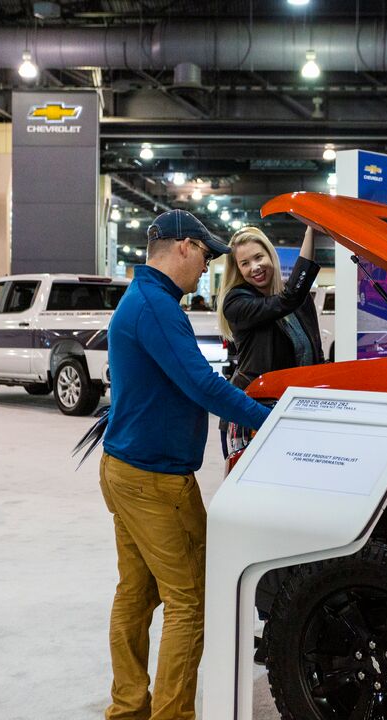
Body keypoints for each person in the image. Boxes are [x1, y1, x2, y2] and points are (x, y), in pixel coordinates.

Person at [98, 209, 271, 720]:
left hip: (126, 469)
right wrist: (270, 419)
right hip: (155, 479)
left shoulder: (146, 299)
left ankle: (128, 708)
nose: (208, 268)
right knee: (190, 601)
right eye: (206, 256)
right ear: (183, 248)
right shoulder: (155, 306)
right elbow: (200, 384)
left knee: (137, 592)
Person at [216, 225, 323, 456]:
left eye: (258, 257)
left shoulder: (301, 302)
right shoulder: (236, 302)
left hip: (298, 410)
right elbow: (288, 299)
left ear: (270, 255)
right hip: (252, 413)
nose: (255, 267)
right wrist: (310, 233)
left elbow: (316, 355)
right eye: (245, 263)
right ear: (238, 269)